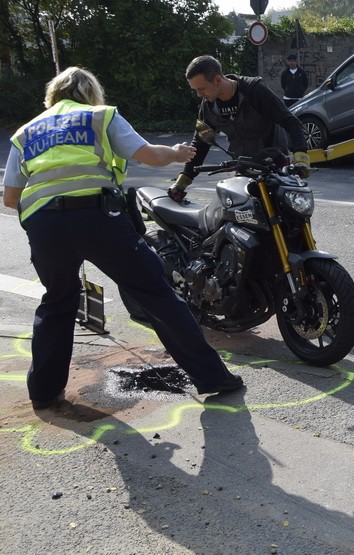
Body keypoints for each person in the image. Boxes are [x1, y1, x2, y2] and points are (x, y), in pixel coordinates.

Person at [2, 67, 243, 409]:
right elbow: (149, 155)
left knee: (57, 302)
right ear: (91, 94)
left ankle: (43, 392)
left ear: (52, 95)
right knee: (153, 291)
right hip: (97, 216)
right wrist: (176, 153)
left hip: (45, 225)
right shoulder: (100, 117)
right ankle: (213, 378)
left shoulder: (25, 132)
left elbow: (10, 198)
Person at [169, 55, 311, 201]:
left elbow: (291, 121)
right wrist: (183, 181)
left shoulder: (253, 91)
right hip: (244, 169)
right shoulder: (208, 107)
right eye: (195, 90)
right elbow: (200, 142)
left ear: (217, 80)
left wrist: (301, 158)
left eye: (202, 89)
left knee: (287, 215)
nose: (199, 95)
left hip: (275, 166)